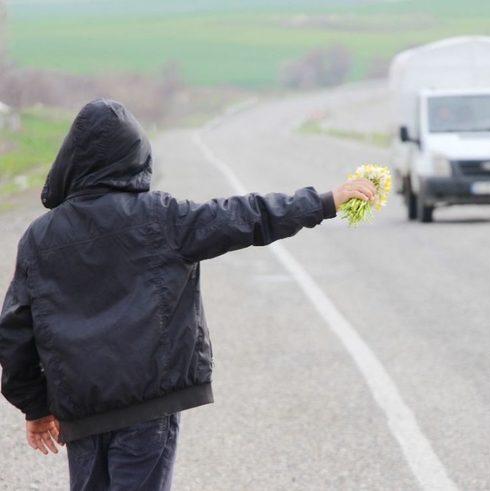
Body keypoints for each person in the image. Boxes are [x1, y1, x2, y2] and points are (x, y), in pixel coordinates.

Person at [0, 99, 377, 490]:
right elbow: (246, 217)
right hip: (148, 411)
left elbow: (14, 333)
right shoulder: (162, 218)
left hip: (82, 415)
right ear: (135, 155)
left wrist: (36, 407)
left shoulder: (39, 239)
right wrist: (325, 201)